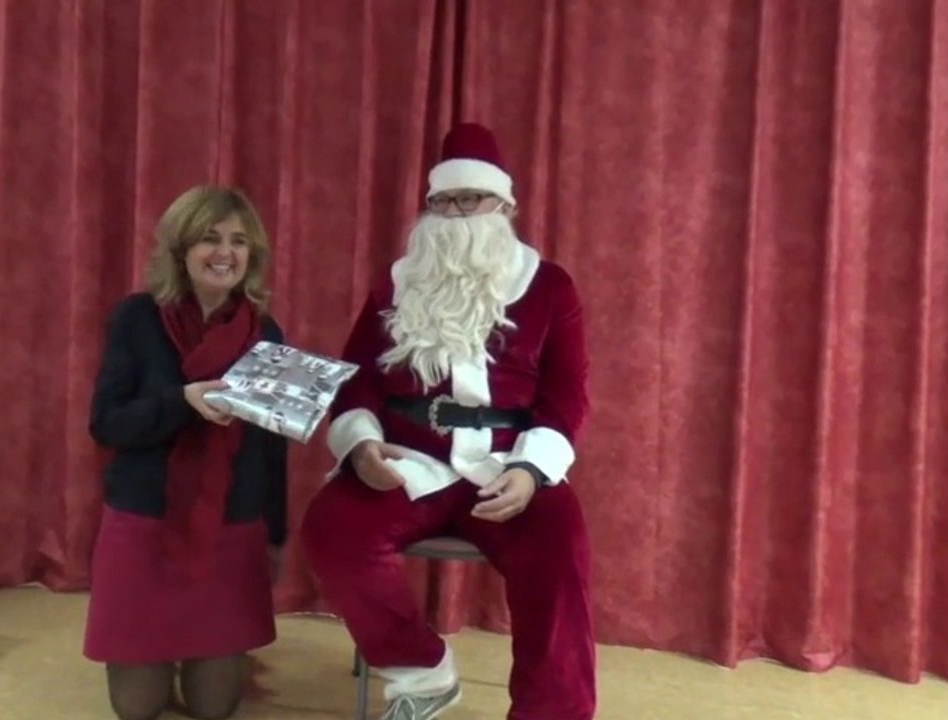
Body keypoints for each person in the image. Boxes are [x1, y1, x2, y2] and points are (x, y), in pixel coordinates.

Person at [301, 123, 594, 720]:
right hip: (412, 461)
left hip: (506, 465)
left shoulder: (549, 286)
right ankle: (421, 670)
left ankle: (551, 710)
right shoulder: (397, 281)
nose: (457, 215)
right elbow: (355, 374)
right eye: (444, 202)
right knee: (332, 530)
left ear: (504, 206)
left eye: (471, 200)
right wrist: (362, 447)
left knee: (560, 546)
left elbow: (567, 394)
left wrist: (533, 472)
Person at [84, 186, 288, 720]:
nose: (225, 252)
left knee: (215, 708)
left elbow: (272, 446)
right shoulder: (136, 318)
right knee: (138, 709)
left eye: (239, 241)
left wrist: (277, 533)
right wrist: (183, 402)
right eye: (210, 238)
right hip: (146, 521)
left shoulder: (265, 333)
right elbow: (106, 424)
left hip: (231, 525)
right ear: (180, 249)